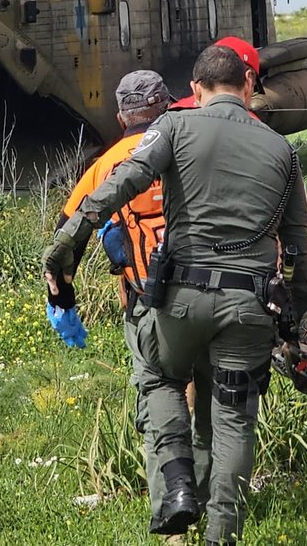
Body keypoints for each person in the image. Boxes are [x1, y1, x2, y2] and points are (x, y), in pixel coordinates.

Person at [47, 45, 307, 544]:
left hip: (181, 299)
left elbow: (120, 183)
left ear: (194, 90)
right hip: (249, 305)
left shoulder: (172, 127)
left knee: (159, 377)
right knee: (234, 418)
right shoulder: (282, 150)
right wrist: (302, 314)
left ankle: (176, 489)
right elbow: (296, 245)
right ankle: (222, 532)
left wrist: (68, 243)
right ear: (249, 87)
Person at [49, 69, 208, 522]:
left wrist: (62, 303)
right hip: (209, 291)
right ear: (165, 106)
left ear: (121, 117)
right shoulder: (191, 145)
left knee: (160, 393)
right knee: (209, 397)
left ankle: (173, 506)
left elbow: (68, 236)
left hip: (147, 300)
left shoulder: (106, 163)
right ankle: (212, 497)